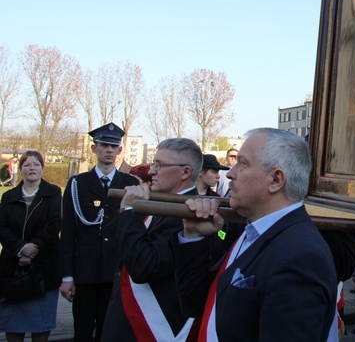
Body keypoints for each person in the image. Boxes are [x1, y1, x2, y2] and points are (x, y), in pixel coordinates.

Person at [174, 128, 337, 340]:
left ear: (276, 180)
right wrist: (193, 235)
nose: (230, 173)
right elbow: (198, 304)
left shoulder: (301, 256)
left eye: (242, 164)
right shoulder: (254, 232)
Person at [101, 138, 202, 341]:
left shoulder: (189, 214)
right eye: (153, 164)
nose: (152, 171)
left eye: (160, 165)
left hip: (152, 326)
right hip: (127, 320)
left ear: (185, 172)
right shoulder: (158, 203)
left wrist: (129, 211)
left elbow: (144, 266)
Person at [60, 122, 139, 342]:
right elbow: (68, 233)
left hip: (116, 271)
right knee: (83, 331)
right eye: (104, 145)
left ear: (120, 150)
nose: (109, 150)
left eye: (114, 146)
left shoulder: (130, 185)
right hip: (85, 272)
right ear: (94, 148)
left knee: (110, 332)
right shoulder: (78, 185)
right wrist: (67, 276)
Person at [0, 151, 62, 342]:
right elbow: (2, 228)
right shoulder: (9, 197)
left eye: (36, 165)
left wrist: (33, 248)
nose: (32, 168)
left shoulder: (53, 194)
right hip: (13, 268)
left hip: (44, 268)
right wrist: (20, 248)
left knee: (41, 324)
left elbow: (54, 224)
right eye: (27, 165)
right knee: (13, 324)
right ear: (20, 170)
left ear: (42, 168)